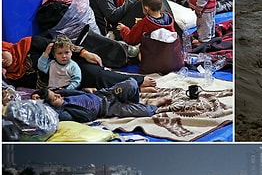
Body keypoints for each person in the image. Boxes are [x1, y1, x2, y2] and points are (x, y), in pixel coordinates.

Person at [2, 35, 157, 92]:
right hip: (63, 86)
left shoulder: (29, 44)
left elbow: (61, 45)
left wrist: (84, 53)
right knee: (99, 93)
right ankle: (132, 88)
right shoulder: (12, 77)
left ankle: (138, 81)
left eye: (1, 54)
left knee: (98, 75)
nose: (3, 60)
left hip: (71, 65)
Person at [34, 78, 170, 123]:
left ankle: (134, 98)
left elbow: (78, 91)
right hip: (109, 108)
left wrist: (88, 91)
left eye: (56, 94)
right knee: (146, 112)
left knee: (132, 83)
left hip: (105, 94)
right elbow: (87, 116)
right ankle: (155, 103)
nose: (59, 96)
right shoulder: (67, 112)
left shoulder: (65, 94)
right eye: (55, 98)